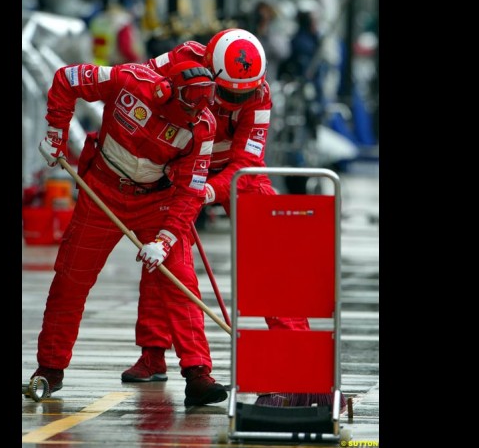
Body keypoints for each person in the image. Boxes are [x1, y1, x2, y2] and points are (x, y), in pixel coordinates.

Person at [125, 28, 344, 409]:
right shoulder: (176, 62)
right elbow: (139, 91)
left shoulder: (259, 93)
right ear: (209, 69)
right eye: (228, 94)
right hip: (177, 164)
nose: (235, 101)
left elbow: (248, 160)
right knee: (163, 254)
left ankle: (297, 371)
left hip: (235, 174)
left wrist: (209, 190)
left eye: (243, 94)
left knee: (274, 262)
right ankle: (153, 353)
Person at [30, 59, 228, 407]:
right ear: (165, 92)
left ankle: (198, 373)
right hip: (101, 191)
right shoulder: (127, 79)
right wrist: (55, 132)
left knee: (181, 282)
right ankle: (49, 370)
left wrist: (165, 240)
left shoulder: (203, 125)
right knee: (70, 281)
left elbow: (190, 191)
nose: (191, 118)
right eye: (186, 109)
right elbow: (66, 79)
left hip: (158, 202)